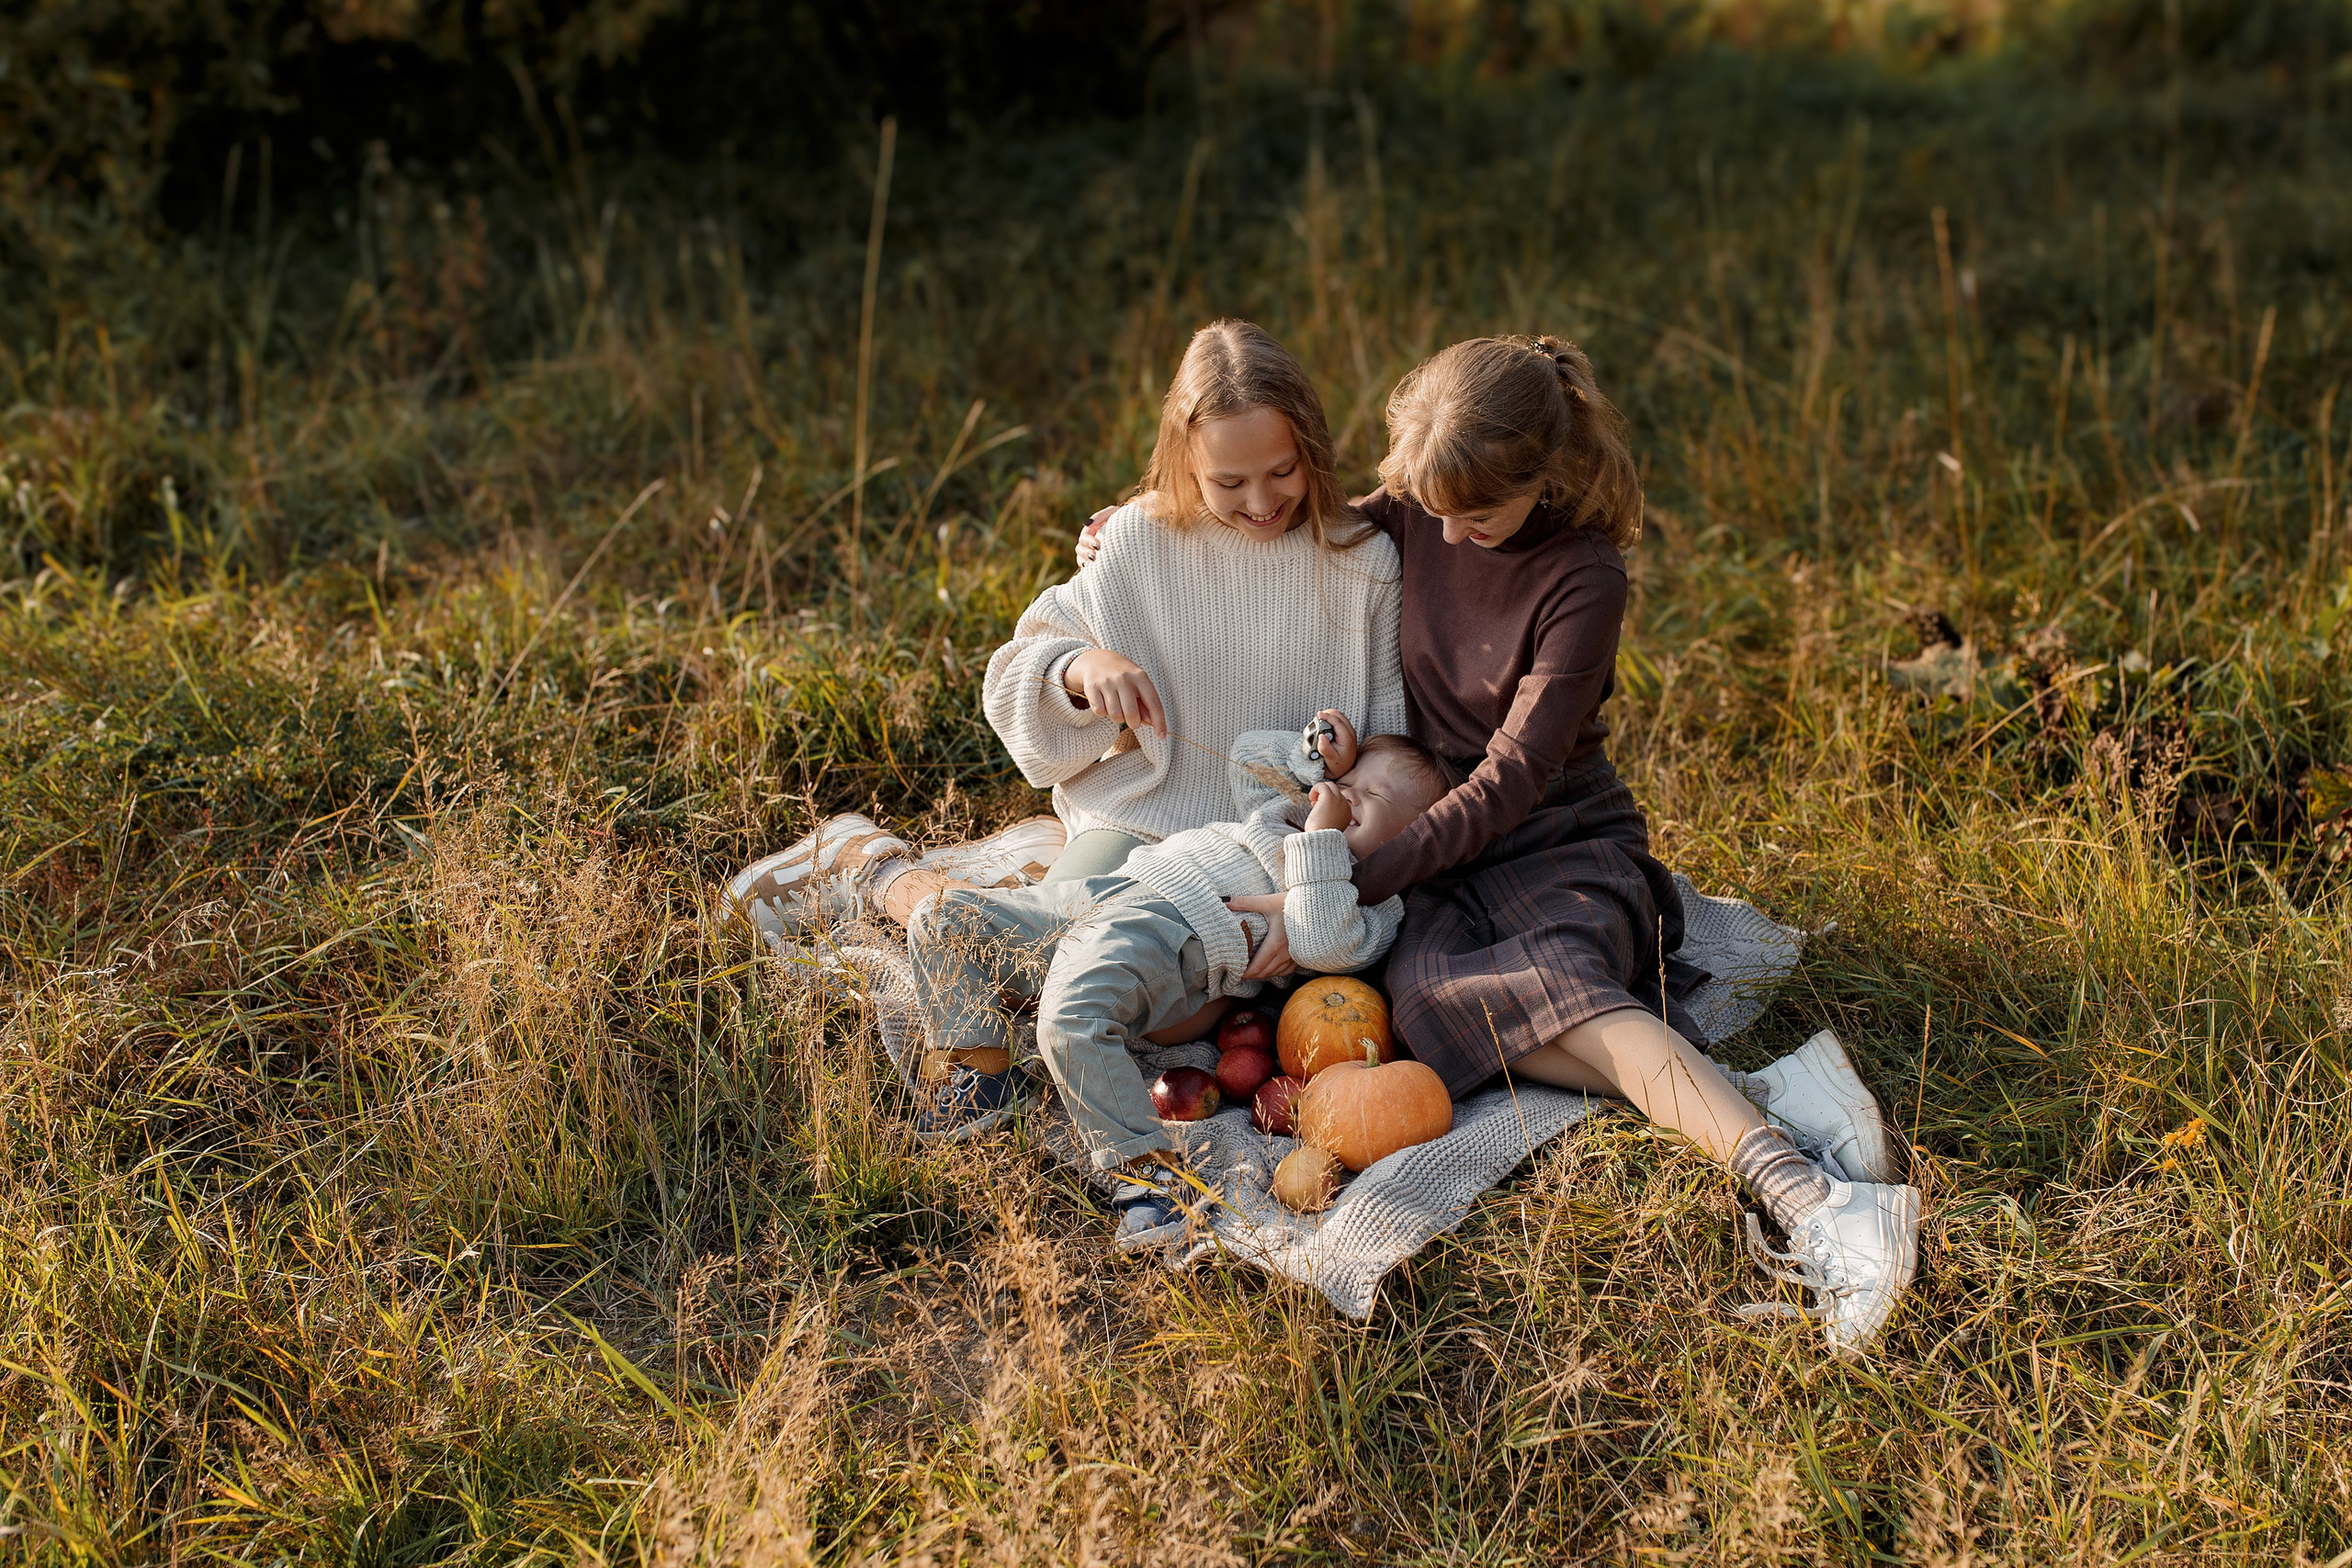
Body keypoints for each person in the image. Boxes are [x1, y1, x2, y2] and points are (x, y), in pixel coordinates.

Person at [1077, 335, 1918, 1355]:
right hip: (1437, 851)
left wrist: (1335, 887)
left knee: (1558, 986)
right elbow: (1282, 526)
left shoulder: (1582, 578)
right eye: (1433, 511)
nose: (1453, 533)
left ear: (1542, 475)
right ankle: (1759, 1098)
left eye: (1479, 514)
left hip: (1550, 836)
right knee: (1431, 1019)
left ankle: (1812, 1202)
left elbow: (1509, 780)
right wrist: (1133, 534)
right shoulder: (1424, 513)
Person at [726, 320, 1407, 1124]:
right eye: (1228, 483)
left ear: (1313, 449)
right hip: (1143, 822)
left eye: (1281, 471)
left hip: (1269, 857)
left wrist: (1315, 883)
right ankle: (878, 871)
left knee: (1188, 1014)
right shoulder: (1141, 541)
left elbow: (1393, 749)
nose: (1260, 502)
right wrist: (1080, 670)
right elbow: (1017, 672)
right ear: (1187, 463)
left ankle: (998, 874)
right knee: (1064, 979)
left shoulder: (1361, 563)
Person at [908, 714, 1450, 1247]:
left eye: (1374, 796)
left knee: (1072, 1021)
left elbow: (1321, 941)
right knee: (941, 916)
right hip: (1114, 888)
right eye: (1349, 783)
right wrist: (1321, 758)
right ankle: (985, 1077)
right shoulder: (1280, 817)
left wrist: (1323, 840)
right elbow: (1246, 753)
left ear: (1413, 844)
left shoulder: (1369, 904)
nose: (1348, 795)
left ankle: (1152, 1177)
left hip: (1172, 931)